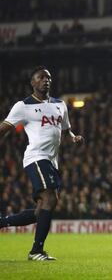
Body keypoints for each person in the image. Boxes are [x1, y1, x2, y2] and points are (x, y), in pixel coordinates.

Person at [0, 67, 84, 261]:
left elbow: (66, 130)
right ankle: (36, 251)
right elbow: (4, 128)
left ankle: (3, 222)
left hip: (52, 161)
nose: (46, 80)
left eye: (48, 77)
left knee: (41, 210)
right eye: (41, 77)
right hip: (36, 157)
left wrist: (74, 138)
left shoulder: (60, 105)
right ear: (33, 82)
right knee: (51, 199)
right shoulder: (23, 106)